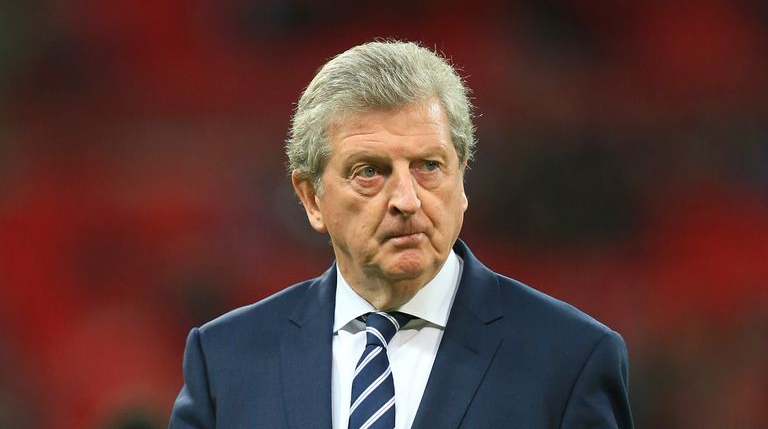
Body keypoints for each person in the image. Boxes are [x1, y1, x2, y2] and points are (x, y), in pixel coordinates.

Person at [168, 40, 634, 429]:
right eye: (369, 172)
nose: (407, 200)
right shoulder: (224, 361)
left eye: (429, 167)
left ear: (462, 179)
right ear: (311, 198)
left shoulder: (571, 360)